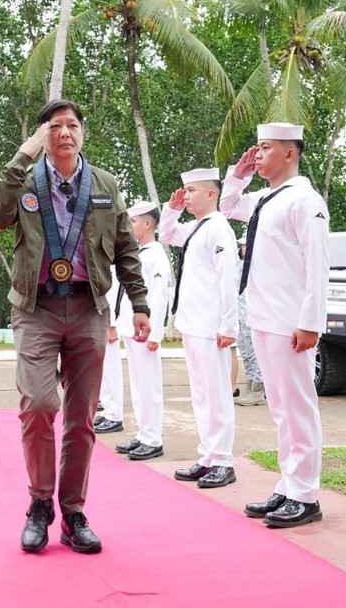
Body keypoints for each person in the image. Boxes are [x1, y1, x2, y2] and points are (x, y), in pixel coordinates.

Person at [0, 99, 151, 555]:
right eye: (54, 127)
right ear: (43, 135)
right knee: (38, 404)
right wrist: (23, 156)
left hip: (87, 308)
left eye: (72, 125)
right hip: (35, 308)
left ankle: (73, 513)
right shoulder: (24, 180)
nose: (64, 133)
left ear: (83, 133)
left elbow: (125, 247)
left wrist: (139, 302)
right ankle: (40, 503)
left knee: (82, 418)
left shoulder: (104, 184)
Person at [221, 122, 329, 528]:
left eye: (266, 148)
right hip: (264, 316)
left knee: (298, 407)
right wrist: (238, 175)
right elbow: (227, 206)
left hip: (291, 320)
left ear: (290, 153)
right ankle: (289, 484)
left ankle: (305, 495)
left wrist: (311, 322)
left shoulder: (305, 200)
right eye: (258, 148)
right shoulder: (265, 199)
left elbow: (318, 265)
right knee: (281, 408)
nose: (258, 154)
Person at [160, 168, 239, 489]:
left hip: (211, 325)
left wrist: (229, 324)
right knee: (202, 395)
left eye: (192, 190)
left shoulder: (219, 228)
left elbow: (228, 278)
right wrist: (172, 209)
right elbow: (166, 235)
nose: (187, 195)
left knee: (217, 395)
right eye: (186, 190)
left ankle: (223, 460)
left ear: (211, 194)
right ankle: (208, 455)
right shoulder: (196, 228)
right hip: (193, 324)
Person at [113, 201, 171, 461]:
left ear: (148, 224)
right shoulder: (139, 253)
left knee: (149, 386)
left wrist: (155, 333)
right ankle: (143, 432)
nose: (128, 226)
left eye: (133, 221)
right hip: (132, 329)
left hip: (145, 332)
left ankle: (152, 438)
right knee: (138, 386)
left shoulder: (155, 254)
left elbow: (158, 297)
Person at [234, 237, 266, 406]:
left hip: (253, 313)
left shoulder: (260, 265)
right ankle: (250, 385)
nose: (245, 249)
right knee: (246, 352)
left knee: (254, 352)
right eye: (243, 246)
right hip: (240, 314)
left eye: (247, 245)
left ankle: (258, 389)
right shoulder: (239, 265)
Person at [94, 268, 125, 434]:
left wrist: (112, 325)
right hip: (100, 318)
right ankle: (107, 410)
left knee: (111, 371)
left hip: (109, 322)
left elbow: (113, 292)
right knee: (104, 371)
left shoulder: (112, 261)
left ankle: (114, 415)